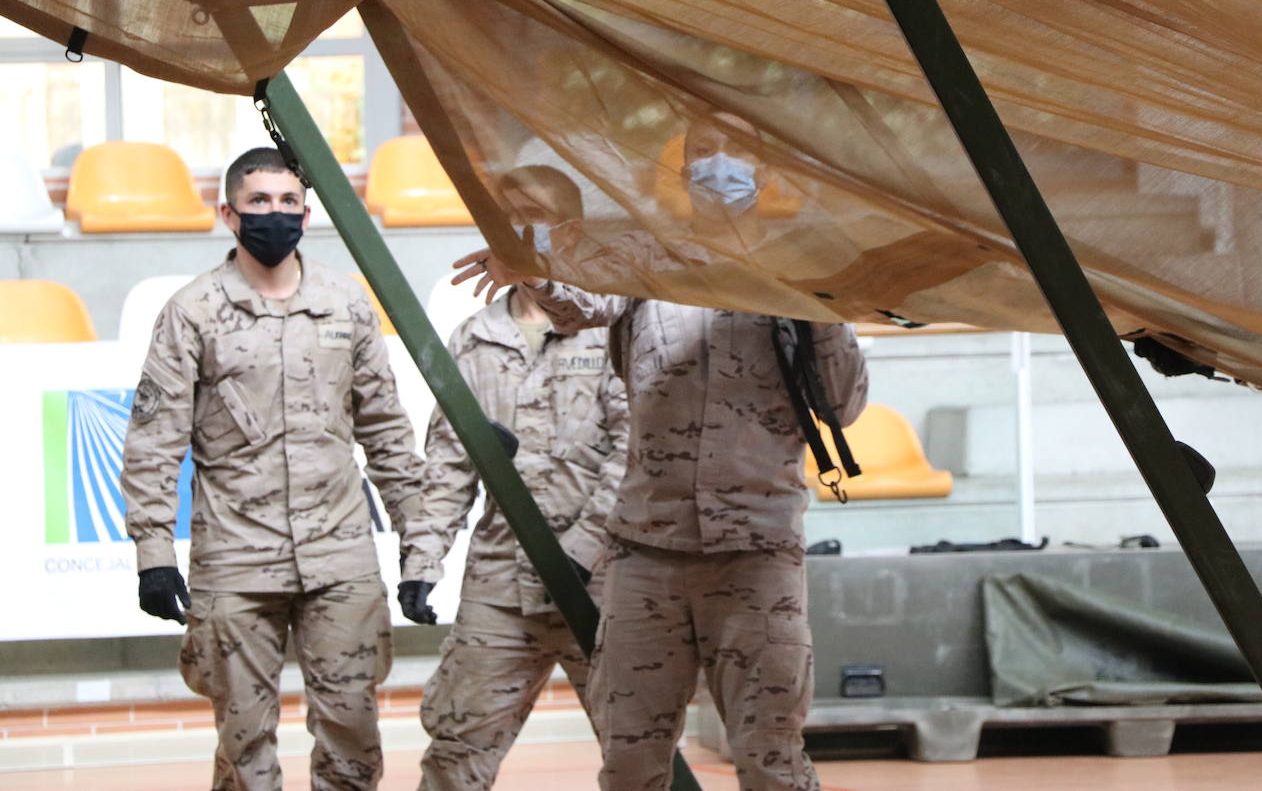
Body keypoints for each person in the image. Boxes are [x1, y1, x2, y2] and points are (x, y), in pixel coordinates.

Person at [449, 249, 869, 791]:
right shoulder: (648, 254)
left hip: (756, 554)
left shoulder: (793, 272)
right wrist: (531, 274)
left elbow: (843, 403)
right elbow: (582, 305)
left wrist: (820, 300)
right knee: (630, 761)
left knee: (773, 757)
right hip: (646, 553)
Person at [120, 147, 439, 791]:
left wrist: (422, 550)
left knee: (352, 732)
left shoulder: (346, 305)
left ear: (307, 210)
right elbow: (154, 444)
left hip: (340, 557)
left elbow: (387, 435)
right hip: (236, 561)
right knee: (244, 743)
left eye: (288, 202)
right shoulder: (192, 311)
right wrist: (153, 555)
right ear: (230, 215)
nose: (275, 214)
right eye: (259, 202)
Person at [408, 278, 628, 789]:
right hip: (501, 586)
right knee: (455, 753)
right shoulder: (475, 337)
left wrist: (580, 550)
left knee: (639, 751)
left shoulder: (610, 330)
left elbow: (635, 452)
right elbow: (449, 462)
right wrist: (422, 561)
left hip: (605, 587)